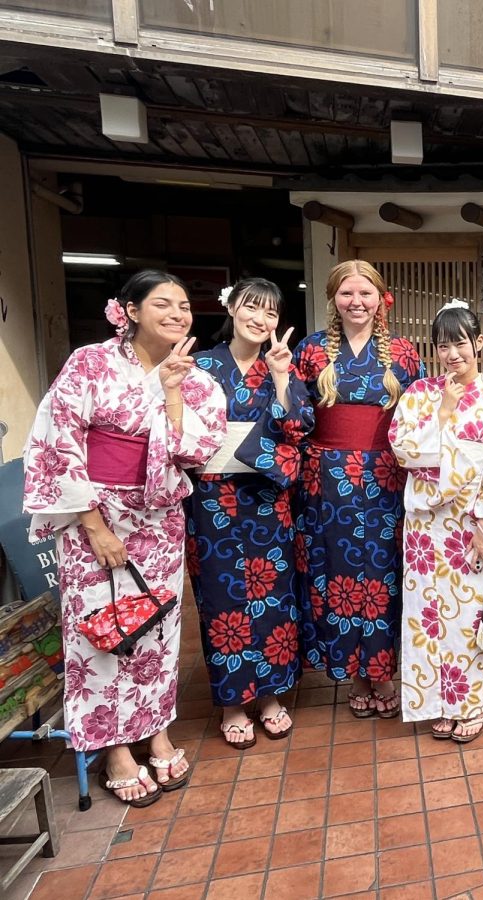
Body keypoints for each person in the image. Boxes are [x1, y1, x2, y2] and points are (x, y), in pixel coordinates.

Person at [23, 270, 226, 806]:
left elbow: (194, 452)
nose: (178, 314)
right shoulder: (90, 363)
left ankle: (155, 730)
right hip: (96, 515)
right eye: (163, 304)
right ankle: (113, 747)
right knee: (100, 631)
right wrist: (92, 524)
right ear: (130, 310)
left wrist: (174, 391)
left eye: (184, 306)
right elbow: (57, 441)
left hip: (158, 517)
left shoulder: (196, 378)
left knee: (155, 630)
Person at [293, 260, 424, 718]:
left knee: (384, 573)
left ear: (380, 299)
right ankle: (353, 671)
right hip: (327, 479)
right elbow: (294, 416)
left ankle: (383, 671)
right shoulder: (310, 350)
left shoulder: (404, 353)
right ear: (334, 299)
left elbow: (419, 418)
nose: (357, 303)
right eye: (347, 294)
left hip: (386, 476)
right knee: (338, 574)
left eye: (365, 294)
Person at [391, 300, 483, 743]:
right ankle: (435, 701)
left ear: (479, 343)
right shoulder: (418, 394)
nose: (452, 354)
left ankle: (471, 703)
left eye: (461, 343)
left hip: (474, 526)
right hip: (427, 528)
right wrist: (444, 412)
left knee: (470, 617)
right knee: (429, 614)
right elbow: (405, 451)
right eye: (443, 345)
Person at [187, 278, 312, 748]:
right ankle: (233, 702)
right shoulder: (200, 365)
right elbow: (178, 427)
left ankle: (271, 695)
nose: (261, 320)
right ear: (232, 307)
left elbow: (298, 427)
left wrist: (281, 378)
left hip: (266, 497)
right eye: (252, 308)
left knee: (273, 594)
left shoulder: (281, 366)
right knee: (223, 598)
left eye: (271, 313)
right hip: (213, 495)